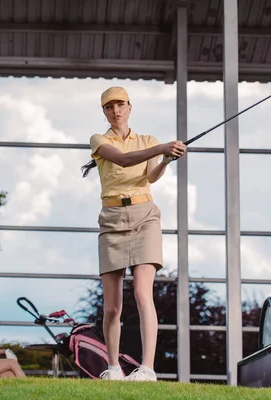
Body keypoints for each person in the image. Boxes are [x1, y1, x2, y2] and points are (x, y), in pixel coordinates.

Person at [81, 86, 186, 381]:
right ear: (104, 112)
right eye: (109, 106)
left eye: (120, 105)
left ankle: (148, 368)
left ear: (130, 107)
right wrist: (162, 148)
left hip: (145, 216)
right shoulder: (99, 140)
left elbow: (150, 176)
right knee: (113, 306)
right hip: (112, 220)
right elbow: (124, 160)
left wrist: (166, 159)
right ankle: (113, 367)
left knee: (142, 294)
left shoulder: (147, 140)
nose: (116, 111)